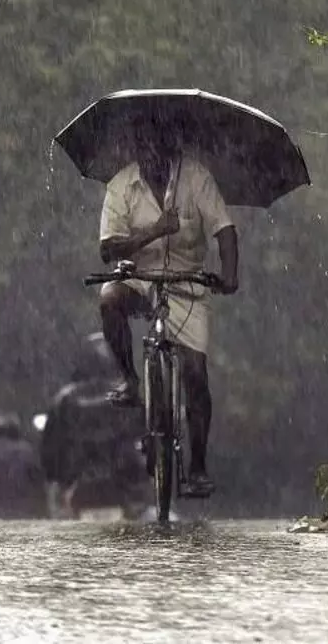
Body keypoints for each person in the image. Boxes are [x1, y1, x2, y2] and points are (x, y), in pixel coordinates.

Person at [98, 118, 238, 498]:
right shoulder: (121, 185)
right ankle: (129, 379)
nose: (152, 159)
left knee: (195, 371)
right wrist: (155, 231)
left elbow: (225, 231)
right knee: (109, 299)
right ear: (136, 152)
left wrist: (229, 276)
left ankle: (197, 466)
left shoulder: (196, 178)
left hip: (187, 282)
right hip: (139, 277)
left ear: (173, 150)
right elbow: (108, 249)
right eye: (144, 151)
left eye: (160, 151)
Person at [39, 333, 148, 518]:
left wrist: (57, 478)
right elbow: (146, 437)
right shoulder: (129, 396)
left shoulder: (65, 398)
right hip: (122, 483)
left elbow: (49, 449)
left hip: (77, 482)